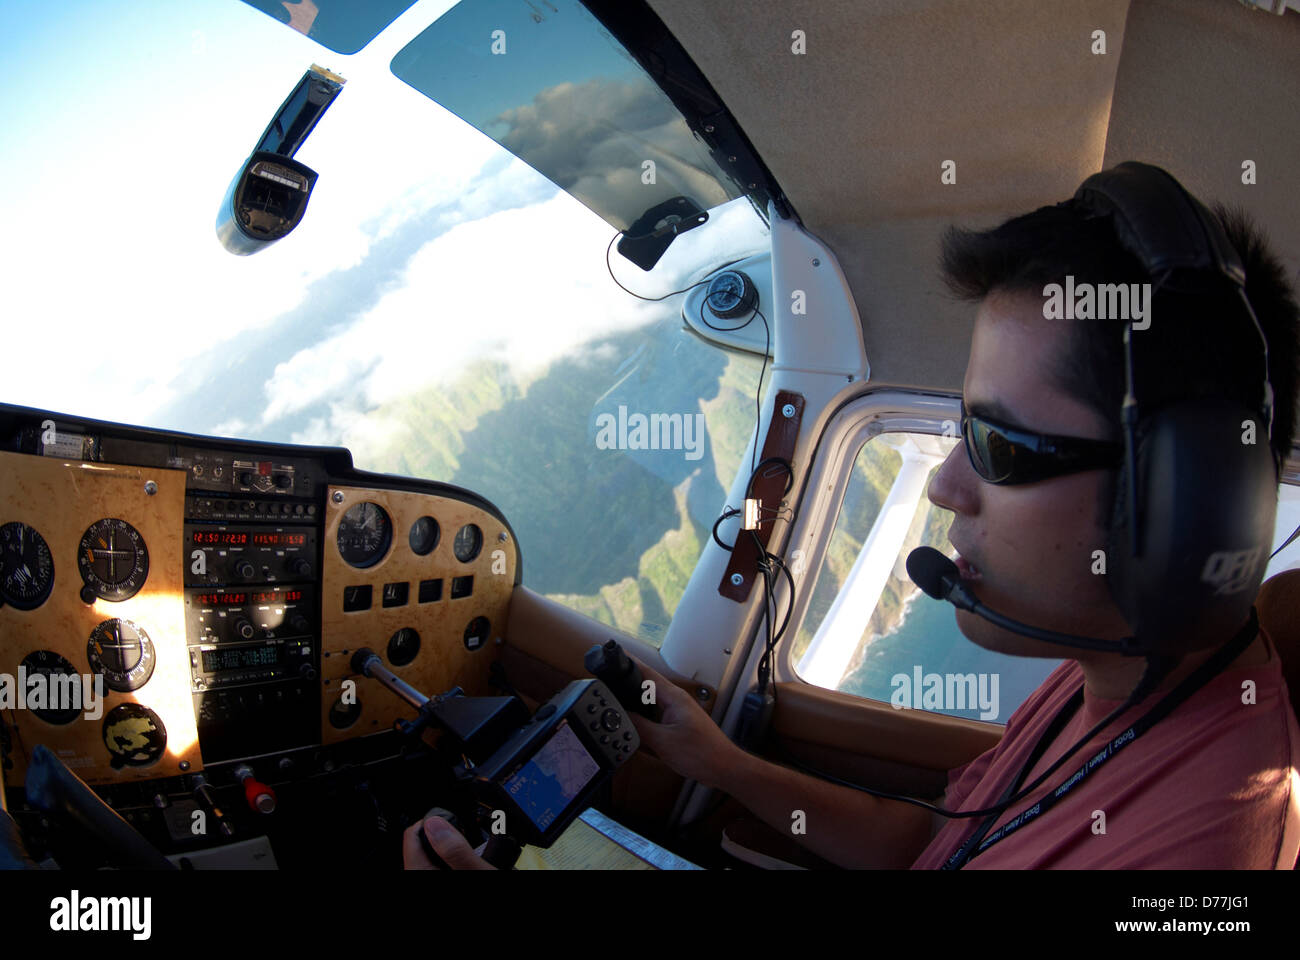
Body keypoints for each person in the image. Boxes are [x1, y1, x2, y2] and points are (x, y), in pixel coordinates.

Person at [405, 167, 1300, 870]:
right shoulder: (1109, 679)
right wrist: (722, 764)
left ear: (1186, 508)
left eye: (1000, 445)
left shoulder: (1205, 855)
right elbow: (935, 851)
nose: (946, 485)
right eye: (958, 429)